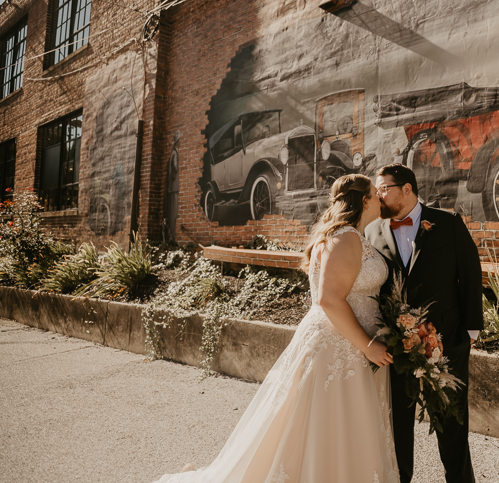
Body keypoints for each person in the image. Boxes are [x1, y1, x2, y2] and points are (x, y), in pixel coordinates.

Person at [154, 174, 399, 483]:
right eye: (375, 195)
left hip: (342, 342)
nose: (380, 198)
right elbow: (329, 299)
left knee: (323, 426)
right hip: (342, 346)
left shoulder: (343, 235)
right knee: (331, 425)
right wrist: (367, 344)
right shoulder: (345, 237)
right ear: (363, 201)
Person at [365, 164, 484, 483]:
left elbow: (470, 272)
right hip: (395, 347)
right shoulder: (372, 231)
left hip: (446, 342)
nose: (379, 196)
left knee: (452, 425)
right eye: (376, 191)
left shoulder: (448, 223)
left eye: (383, 189)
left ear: (406, 189)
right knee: (398, 428)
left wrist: (470, 331)